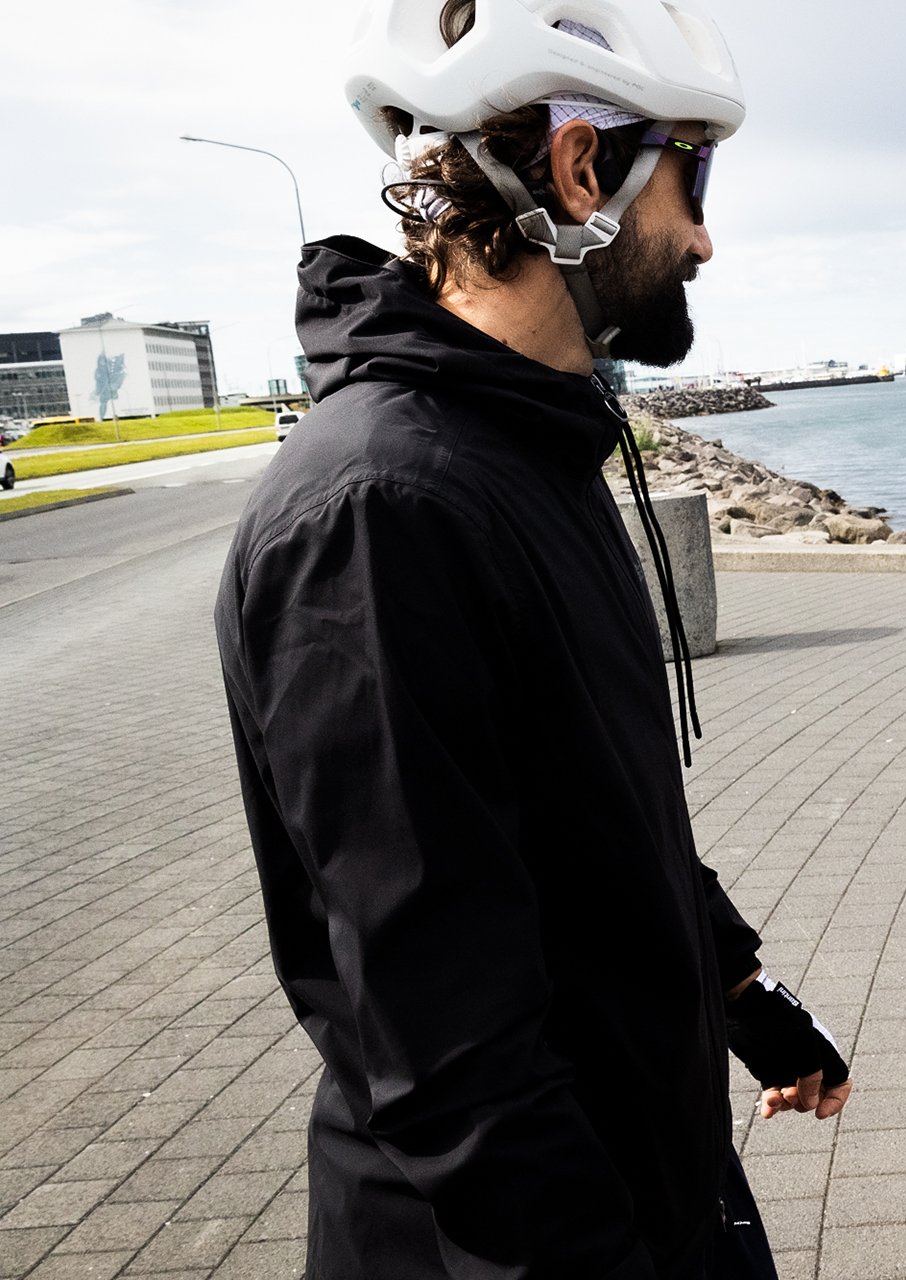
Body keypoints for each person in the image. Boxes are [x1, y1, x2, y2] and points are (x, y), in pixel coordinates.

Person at [214, 1, 851, 1274]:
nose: (706, 235)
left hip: (650, 1175)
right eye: (694, 175)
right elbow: (448, 1048)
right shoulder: (383, 514)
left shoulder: (524, 450)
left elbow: (595, 812)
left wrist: (738, 994)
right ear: (579, 168)